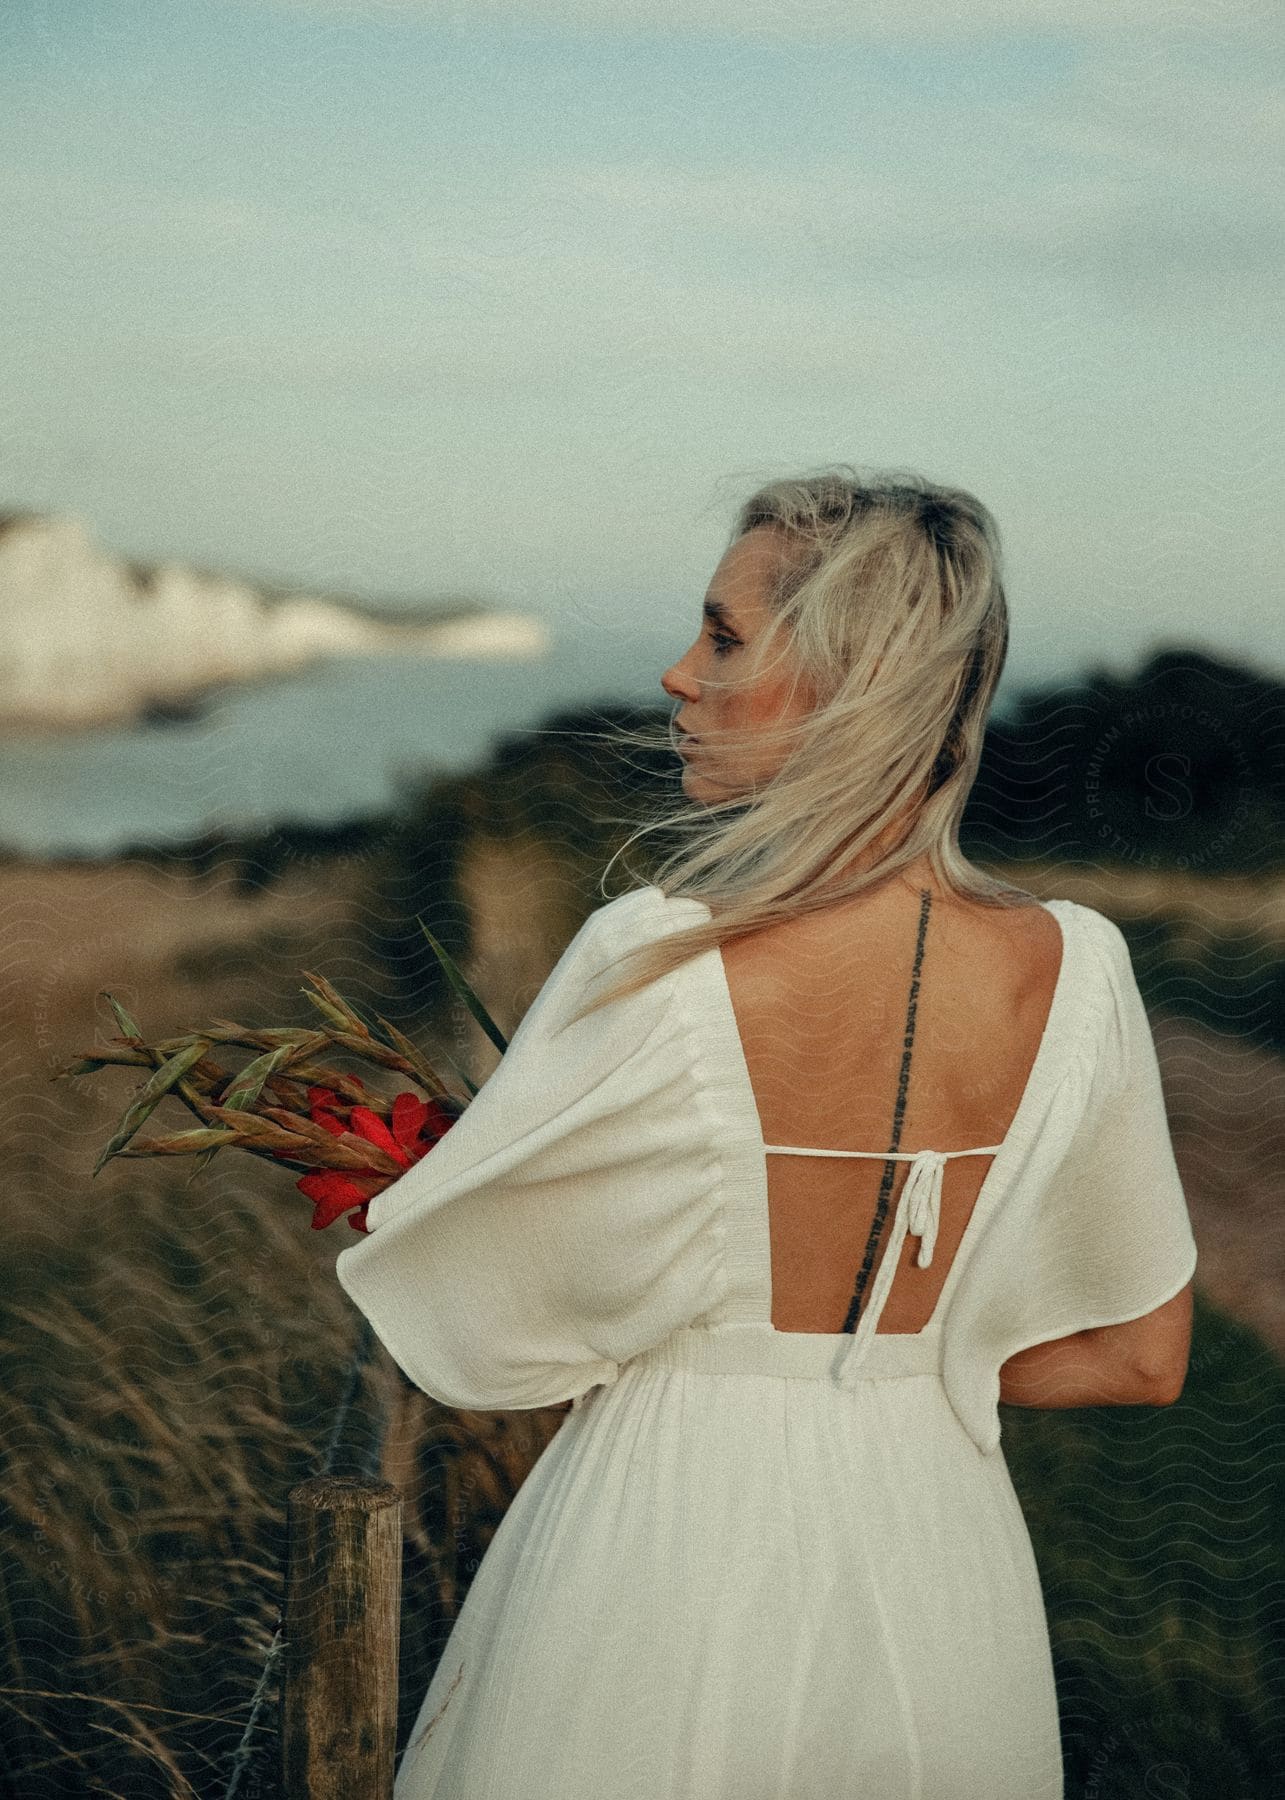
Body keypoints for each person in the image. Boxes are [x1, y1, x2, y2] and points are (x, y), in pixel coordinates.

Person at [336, 466, 1198, 1799]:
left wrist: (403, 1190)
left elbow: (484, 1347)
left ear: (852, 677)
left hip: (661, 1549)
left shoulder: (653, 959)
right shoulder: (1075, 970)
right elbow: (1141, 1356)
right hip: (940, 1560)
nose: (681, 676)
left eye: (724, 635)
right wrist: (918, 1361)